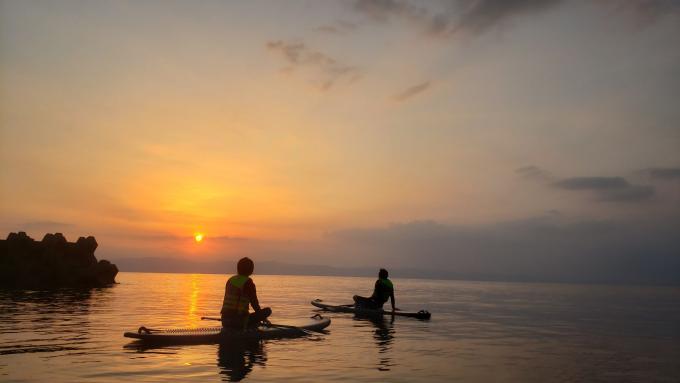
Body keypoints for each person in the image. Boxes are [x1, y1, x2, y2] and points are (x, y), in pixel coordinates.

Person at [221, 257, 272, 330]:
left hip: (225, 321)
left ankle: (250, 324)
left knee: (249, 317)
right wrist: (263, 317)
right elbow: (255, 304)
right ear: (251, 270)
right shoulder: (248, 282)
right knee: (268, 311)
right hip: (239, 322)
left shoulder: (230, 280)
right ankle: (249, 325)